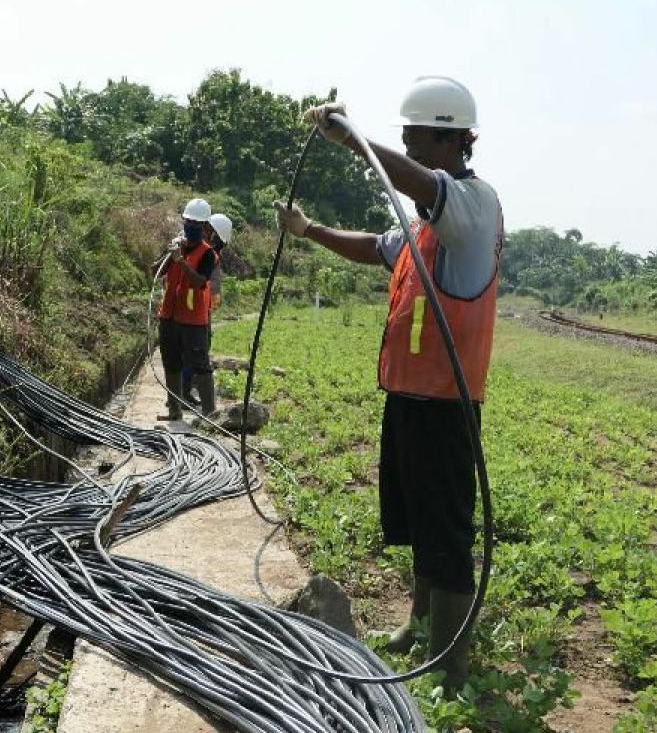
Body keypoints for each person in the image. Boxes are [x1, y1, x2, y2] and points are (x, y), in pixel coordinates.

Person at [275, 76, 503, 691]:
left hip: (445, 403)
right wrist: (310, 230)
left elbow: (423, 183)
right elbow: (375, 246)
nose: (406, 149)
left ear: (452, 139)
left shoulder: (473, 207)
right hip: (405, 395)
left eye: (415, 138)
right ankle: (417, 622)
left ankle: (450, 666)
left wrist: (355, 141)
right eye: (401, 139)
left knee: (446, 530)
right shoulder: (423, 227)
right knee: (413, 519)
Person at [156, 198, 218, 421]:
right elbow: (154, 272)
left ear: (204, 228)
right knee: (170, 361)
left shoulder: (208, 253)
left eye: (197, 224)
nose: (191, 227)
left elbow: (201, 281)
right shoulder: (175, 248)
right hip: (169, 316)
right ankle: (174, 410)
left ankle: (210, 414)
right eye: (188, 221)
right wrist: (168, 254)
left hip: (193, 321)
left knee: (200, 364)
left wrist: (181, 261)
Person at [182, 213, 233, 407]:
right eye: (219, 239)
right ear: (211, 232)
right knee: (194, 352)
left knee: (196, 351)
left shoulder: (206, 251)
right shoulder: (200, 251)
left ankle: (185, 391)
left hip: (201, 307)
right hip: (193, 309)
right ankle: (185, 394)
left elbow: (214, 282)